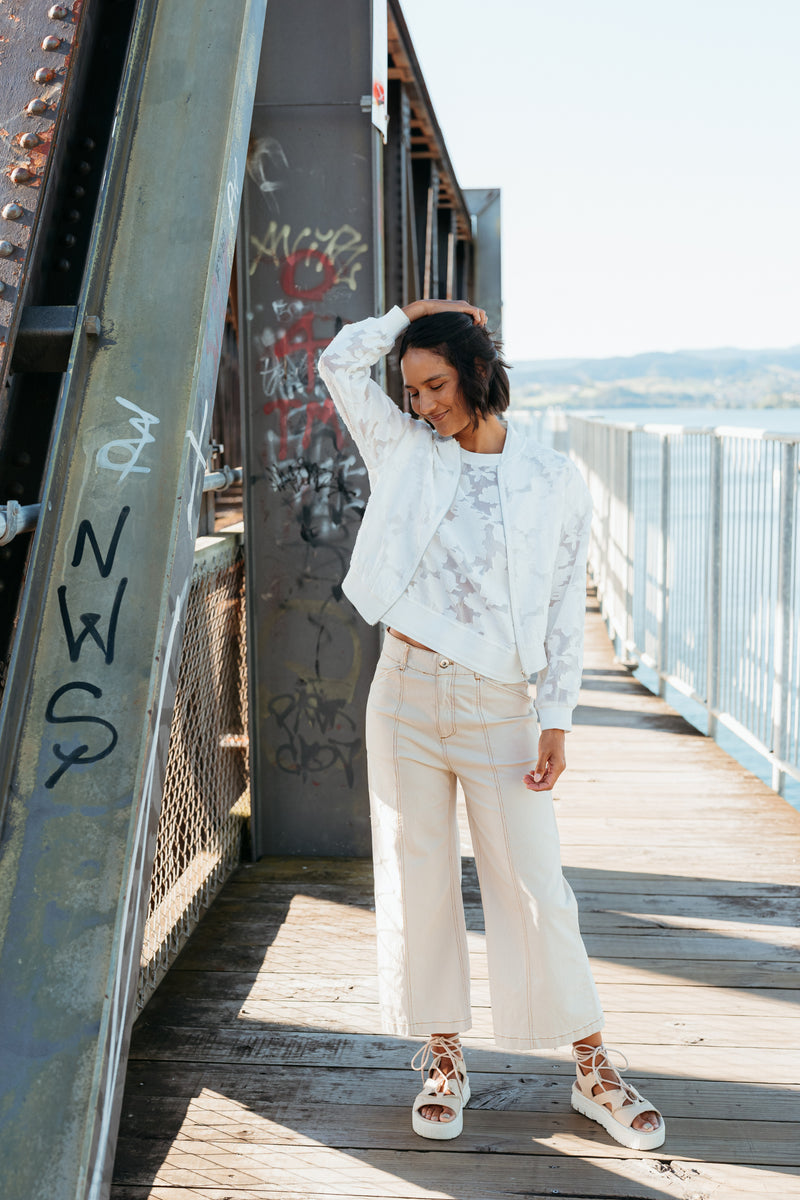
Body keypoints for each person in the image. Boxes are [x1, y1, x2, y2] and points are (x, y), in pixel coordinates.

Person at [317, 298, 664, 1150]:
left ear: (477, 373)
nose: (423, 404)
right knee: (419, 876)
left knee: (536, 882)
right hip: (403, 692)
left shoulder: (551, 477)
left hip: (500, 702)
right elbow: (336, 363)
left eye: (436, 385)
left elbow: (563, 602)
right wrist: (413, 313)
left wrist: (558, 717)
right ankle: (442, 1055)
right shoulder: (403, 449)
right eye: (411, 390)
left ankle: (591, 1066)